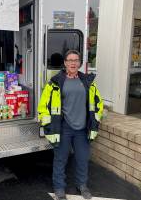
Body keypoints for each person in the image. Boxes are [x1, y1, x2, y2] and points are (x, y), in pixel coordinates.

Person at [38, 50, 103, 200]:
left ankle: (82, 185)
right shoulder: (55, 82)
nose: (73, 63)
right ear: (65, 63)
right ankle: (59, 187)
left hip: (82, 128)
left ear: (79, 63)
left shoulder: (87, 81)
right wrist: (48, 126)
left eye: (76, 60)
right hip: (63, 128)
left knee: (82, 159)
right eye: (70, 60)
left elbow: (98, 102)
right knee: (60, 159)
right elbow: (43, 106)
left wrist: (96, 121)